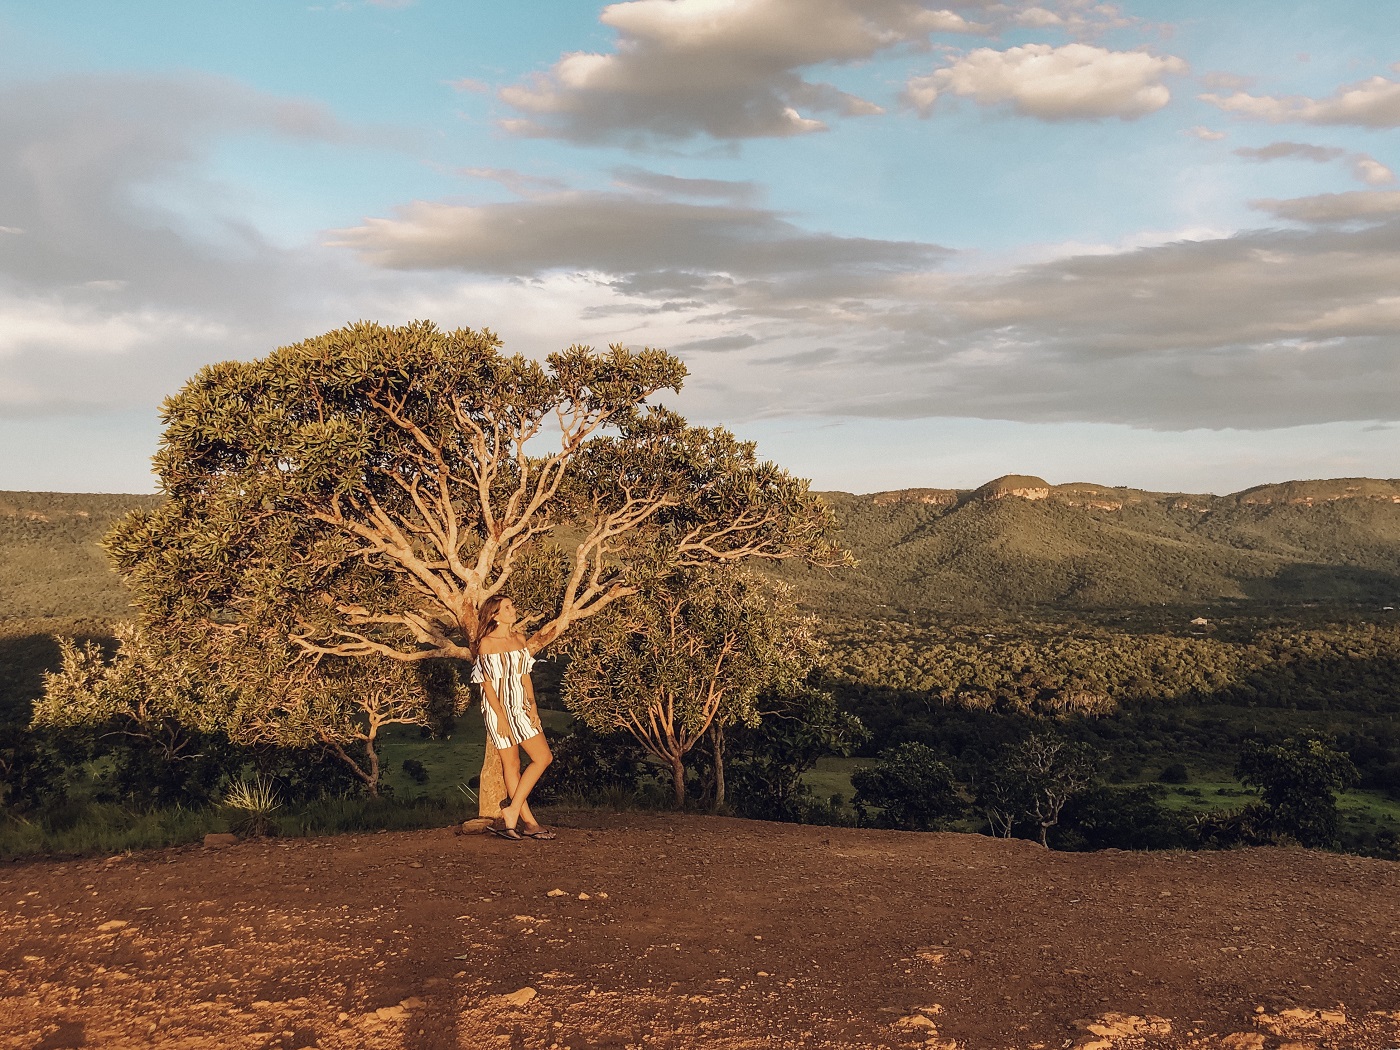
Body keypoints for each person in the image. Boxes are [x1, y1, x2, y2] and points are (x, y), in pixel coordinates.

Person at [473, 595, 555, 841]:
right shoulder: (486, 643)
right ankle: (529, 823)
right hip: (497, 710)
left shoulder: (519, 639)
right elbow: (486, 684)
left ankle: (512, 809)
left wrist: (533, 707)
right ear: (495, 615)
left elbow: (525, 676)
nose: (513, 610)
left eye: (512, 606)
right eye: (507, 607)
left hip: (521, 707)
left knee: (543, 757)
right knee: (512, 765)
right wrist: (500, 717)